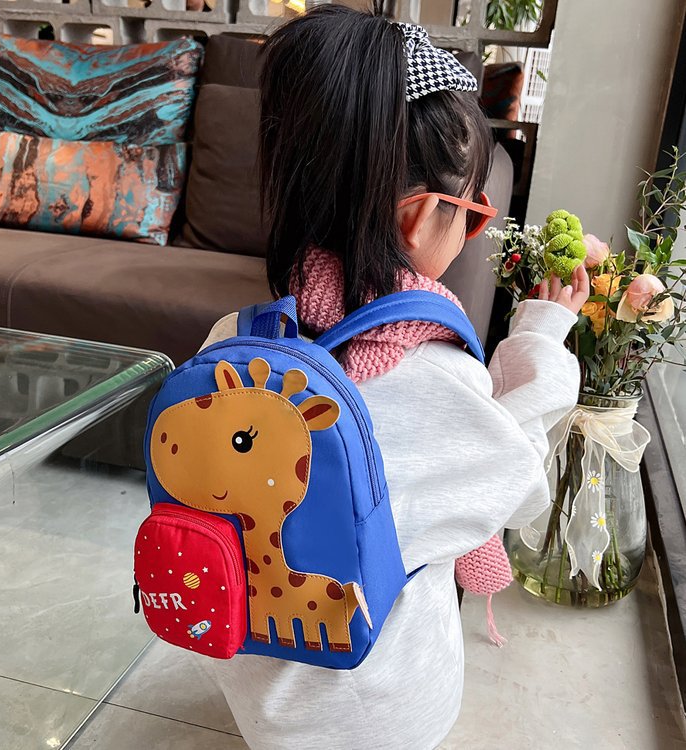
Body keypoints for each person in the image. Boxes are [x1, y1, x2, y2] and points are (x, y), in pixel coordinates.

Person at [200, 4, 587, 749]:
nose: (472, 227)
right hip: (382, 714)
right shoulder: (432, 373)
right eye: (472, 214)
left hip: (261, 696)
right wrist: (542, 335)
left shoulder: (233, 344)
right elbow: (512, 481)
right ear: (419, 217)